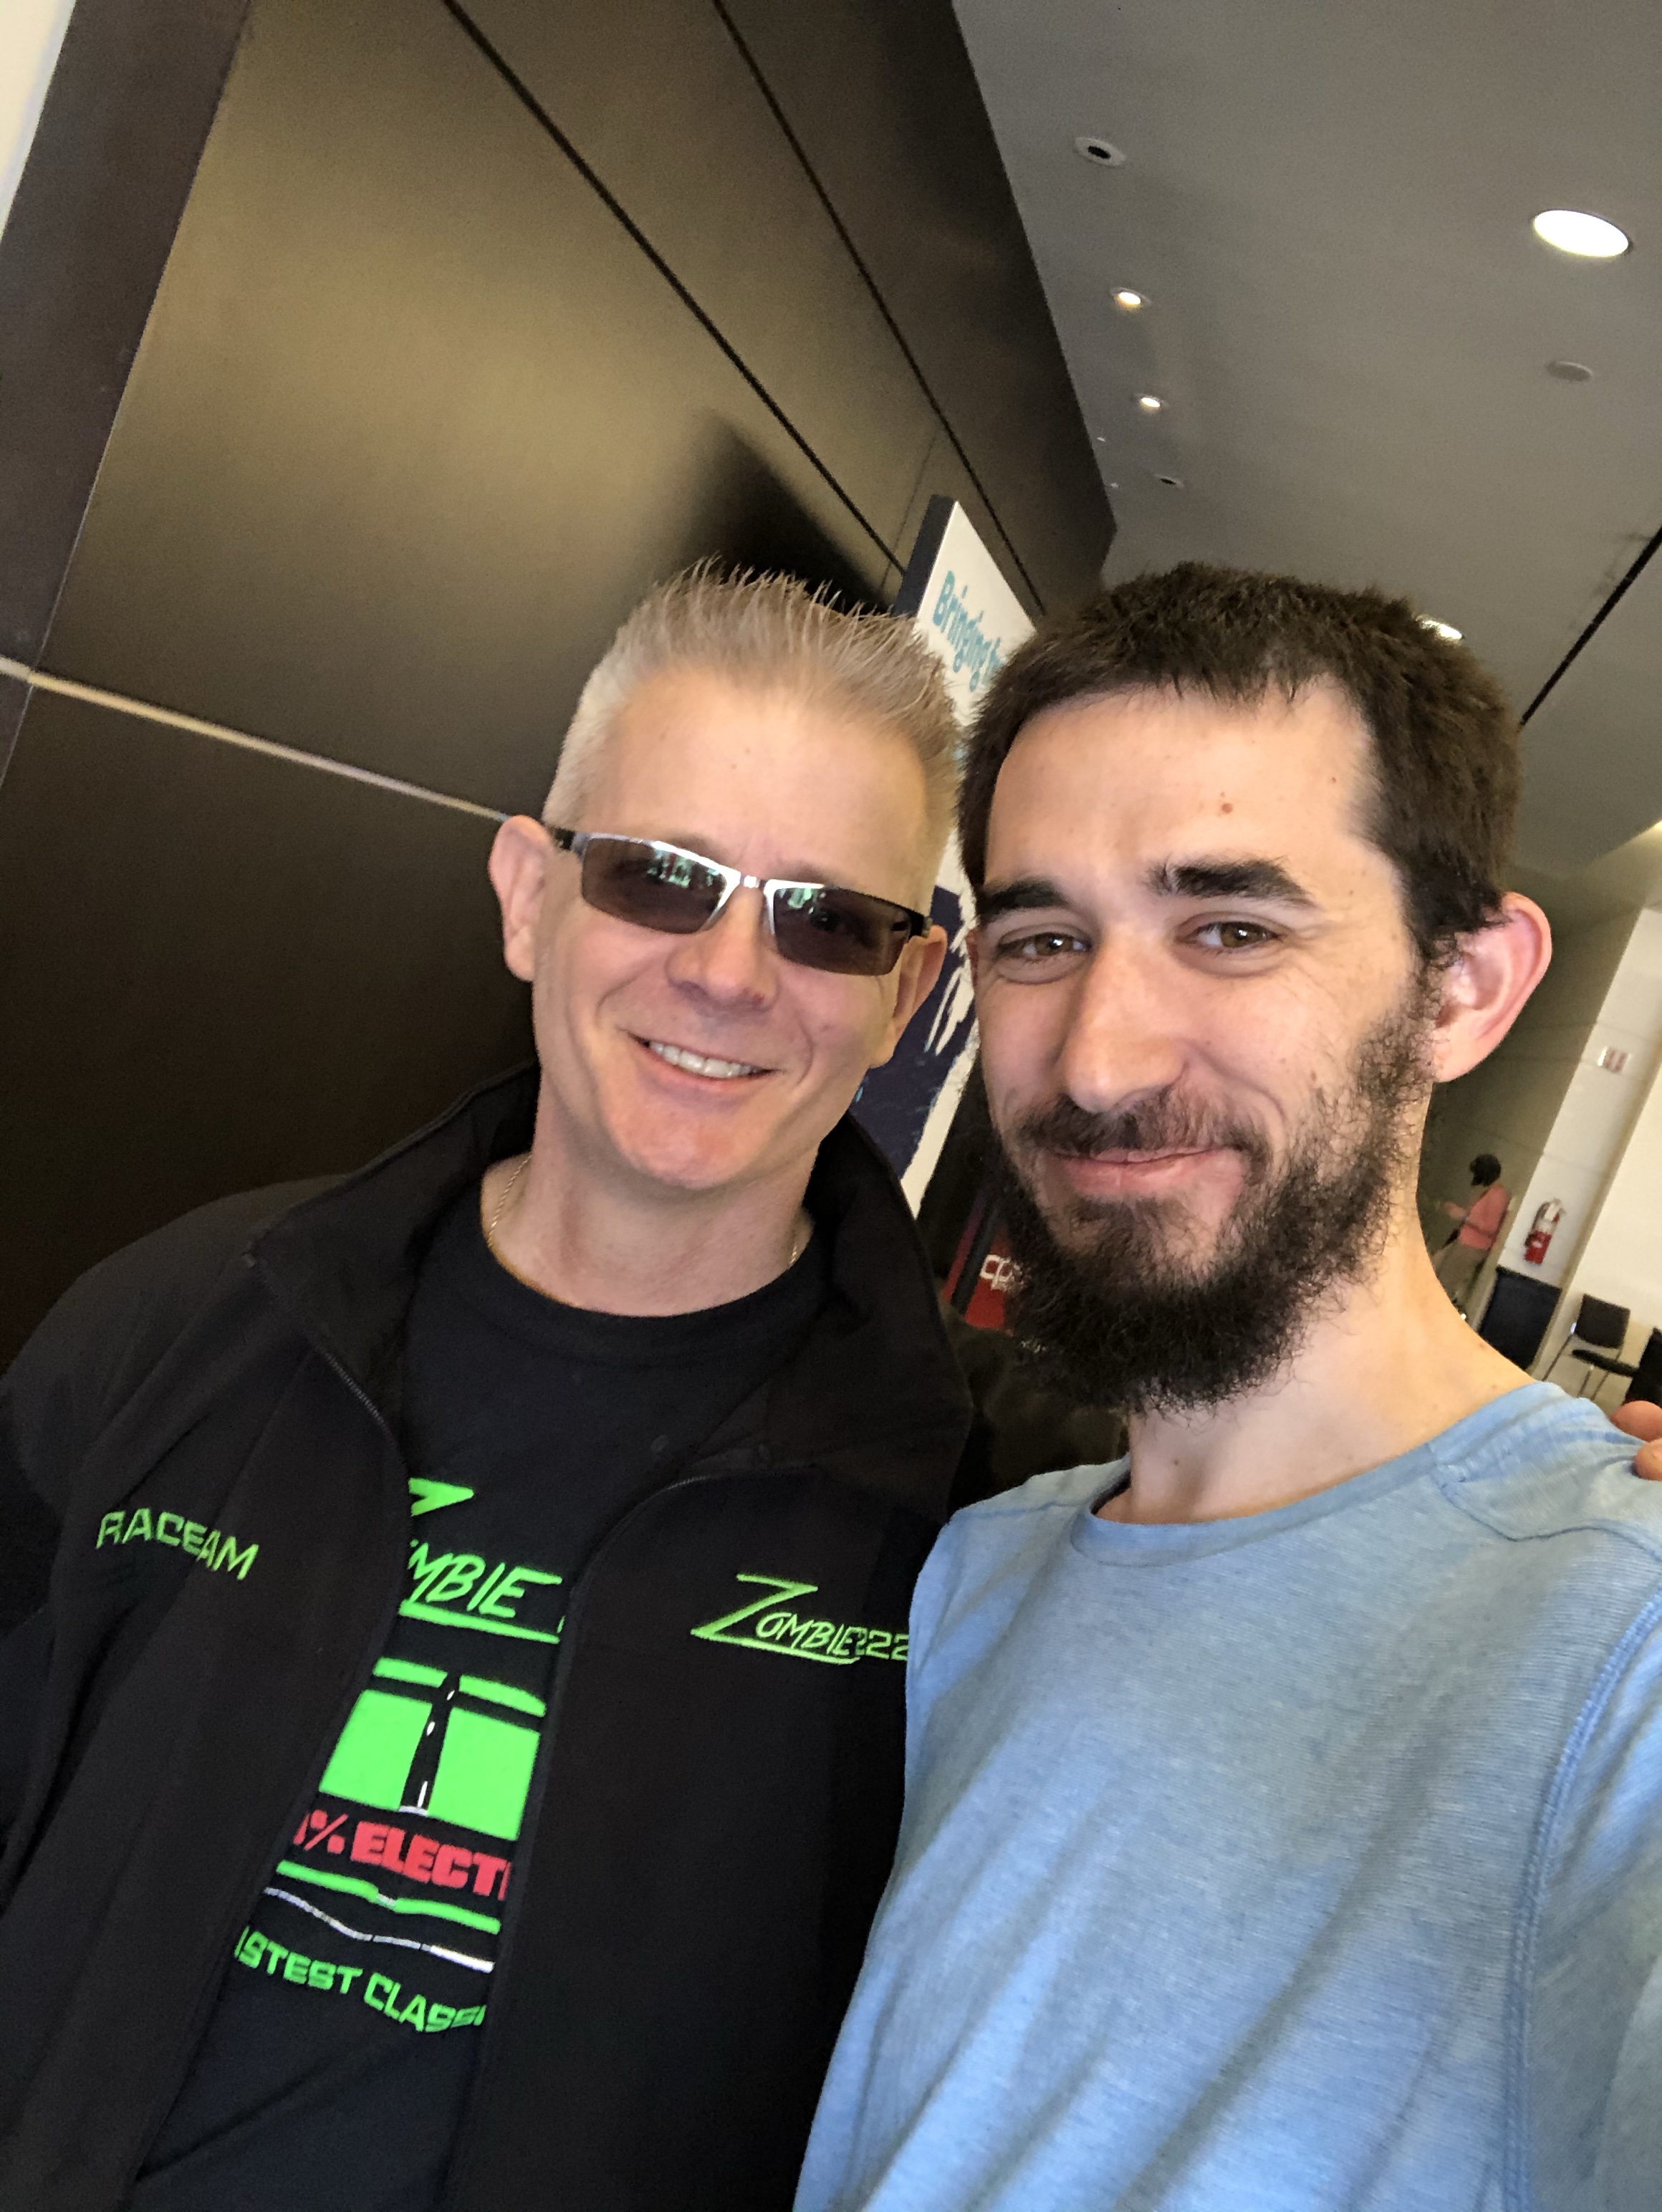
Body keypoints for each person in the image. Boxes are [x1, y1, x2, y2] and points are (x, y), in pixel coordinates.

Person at [0, 569, 1018, 2212]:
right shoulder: (187, 1315)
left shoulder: (973, 1508)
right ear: (529, 897)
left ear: (905, 995)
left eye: (826, 918)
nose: (729, 971)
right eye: (659, 878)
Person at [797, 564, 1662, 2211]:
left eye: (1230, 927)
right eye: (1043, 937)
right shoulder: (980, 1571)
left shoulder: (1623, 1634)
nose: (1099, 1056)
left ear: (1463, 985)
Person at [1433, 1148, 1509, 1310]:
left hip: (1472, 1248)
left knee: (1445, 1284)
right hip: (1464, 1241)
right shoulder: (1490, 1192)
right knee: (1435, 1270)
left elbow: (1490, 1227)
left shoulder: (1497, 1196)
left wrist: (1465, 1216)